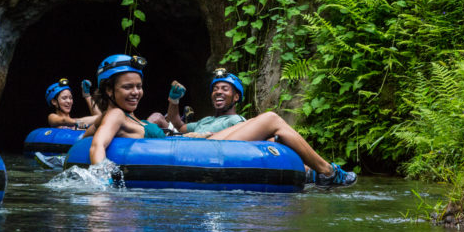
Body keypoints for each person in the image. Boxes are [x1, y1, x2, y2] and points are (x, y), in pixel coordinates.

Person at [161, 69, 357, 189]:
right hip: (203, 146)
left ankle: (316, 173)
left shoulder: (238, 120)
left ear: (236, 97)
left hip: (219, 145)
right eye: (215, 89)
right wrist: (174, 100)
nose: (218, 92)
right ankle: (328, 172)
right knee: (271, 119)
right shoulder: (204, 121)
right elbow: (178, 125)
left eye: (224, 89)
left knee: (271, 133)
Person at [88, 54, 166, 165]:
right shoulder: (116, 114)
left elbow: (87, 134)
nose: (135, 92)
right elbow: (97, 146)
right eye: (127, 87)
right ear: (109, 89)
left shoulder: (116, 116)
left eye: (139, 86)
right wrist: (104, 181)